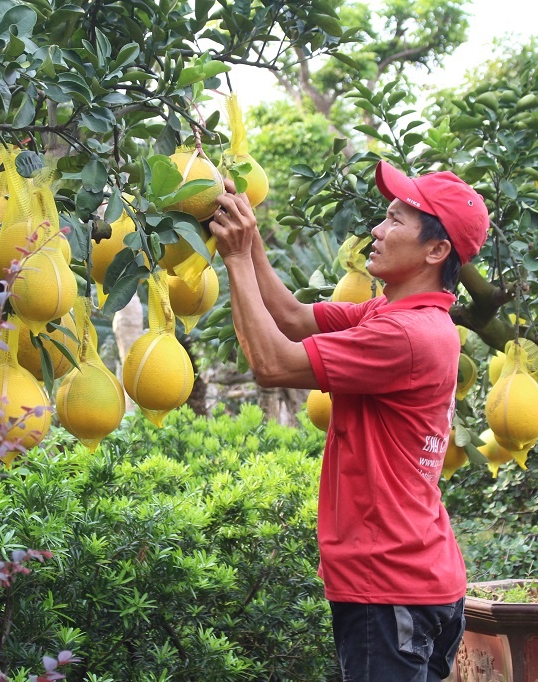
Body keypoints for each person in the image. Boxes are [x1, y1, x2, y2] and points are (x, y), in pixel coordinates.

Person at [208, 160, 489, 682]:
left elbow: (272, 365)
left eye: (395, 221)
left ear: (436, 250)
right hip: (416, 574)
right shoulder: (394, 314)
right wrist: (249, 233)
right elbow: (291, 318)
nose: (376, 232)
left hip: (389, 583)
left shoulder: (407, 336)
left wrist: (236, 257)